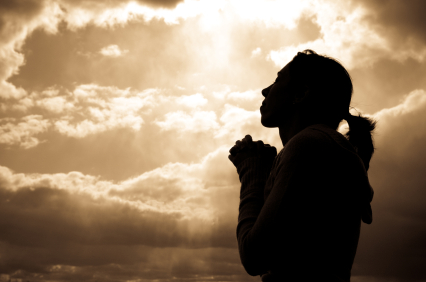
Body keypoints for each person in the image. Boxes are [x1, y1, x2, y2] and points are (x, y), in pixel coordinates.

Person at [228, 50, 376, 282]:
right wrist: (267, 173)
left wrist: (252, 174)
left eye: (277, 80)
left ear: (300, 94)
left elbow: (254, 256)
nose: (265, 90)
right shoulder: (322, 147)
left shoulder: (308, 146)